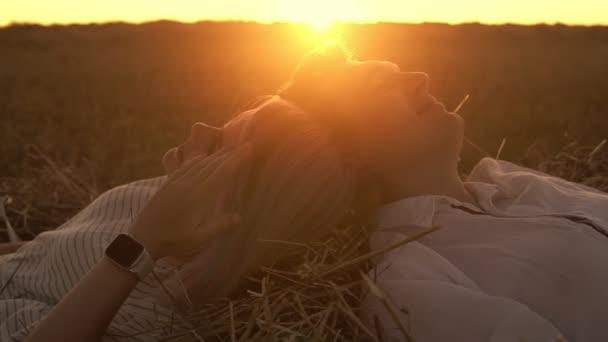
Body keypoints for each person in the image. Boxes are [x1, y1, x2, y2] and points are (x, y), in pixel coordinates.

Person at [278, 43, 608, 341]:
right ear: (344, 149)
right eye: (381, 84)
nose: (420, 77)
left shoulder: (511, 180)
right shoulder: (410, 285)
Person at [0, 97, 357, 341]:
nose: (199, 127)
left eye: (217, 146)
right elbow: (43, 250)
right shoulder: (153, 198)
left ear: (234, 205)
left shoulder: (156, 307)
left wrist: (141, 244)